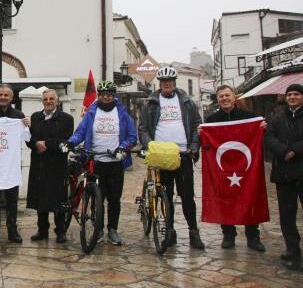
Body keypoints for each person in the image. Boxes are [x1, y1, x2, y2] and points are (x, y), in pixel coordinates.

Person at [139, 66, 205, 249]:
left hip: (182, 155)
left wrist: (193, 147)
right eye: (164, 82)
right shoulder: (150, 103)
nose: (167, 84)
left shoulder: (187, 103)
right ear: (160, 84)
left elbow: (196, 127)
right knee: (166, 196)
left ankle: (193, 232)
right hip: (161, 156)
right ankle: (170, 231)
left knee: (187, 197)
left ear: (175, 83)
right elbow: (143, 128)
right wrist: (149, 146)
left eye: (170, 81)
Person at [66, 81, 137, 245]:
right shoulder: (91, 112)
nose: (106, 97)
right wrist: (71, 142)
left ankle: (113, 230)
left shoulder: (122, 113)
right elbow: (80, 133)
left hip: (115, 163)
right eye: (103, 94)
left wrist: (123, 147)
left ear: (114, 96)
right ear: (99, 95)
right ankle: (98, 229)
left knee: (114, 199)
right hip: (95, 161)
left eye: (109, 94)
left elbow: (132, 136)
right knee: (97, 198)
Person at [204, 84, 266, 251]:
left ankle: (253, 236)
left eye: (227, 95)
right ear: (217, 100)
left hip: (245, 168)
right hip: (222, 169)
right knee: (225, 199)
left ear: (234, 97)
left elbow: (259, 139)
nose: (224, 99)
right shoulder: (211, 121)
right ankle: (228, 234)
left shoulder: (249, 117)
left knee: (250, 198)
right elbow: (207, 146)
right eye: (221, 96)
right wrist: (202, 134)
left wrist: (261, 128)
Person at [0, 84, 31, 245]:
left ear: (12, 98)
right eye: (0, 94)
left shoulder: (18, 116)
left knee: (12, 201)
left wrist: (27, 125)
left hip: (11, 167)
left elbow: (28, 138)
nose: (3, 97)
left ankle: (13, 232)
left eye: (6, 95)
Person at [26, 89, 74, 243]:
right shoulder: (35, 117)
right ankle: (42, 230)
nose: (48, 101)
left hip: (57, 164)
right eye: (45, 99)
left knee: (58, 199)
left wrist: (46, 144)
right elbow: (28, 137)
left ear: (57, 101)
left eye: (51, 99)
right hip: (39, 163)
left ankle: (60, 231)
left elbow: (65, 139)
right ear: (42, 101)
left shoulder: (67, 119)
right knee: (41, 199)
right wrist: (35, 143)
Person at [265, 83, 303, 270]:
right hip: (284, 173)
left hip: (301, 170)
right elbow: (269, 137)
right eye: (290, 94)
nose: (293, 97)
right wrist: (283, 151)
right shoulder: (277, 118)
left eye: (296, 94)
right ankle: (292, 250)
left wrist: (294, 150)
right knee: (287, 215)